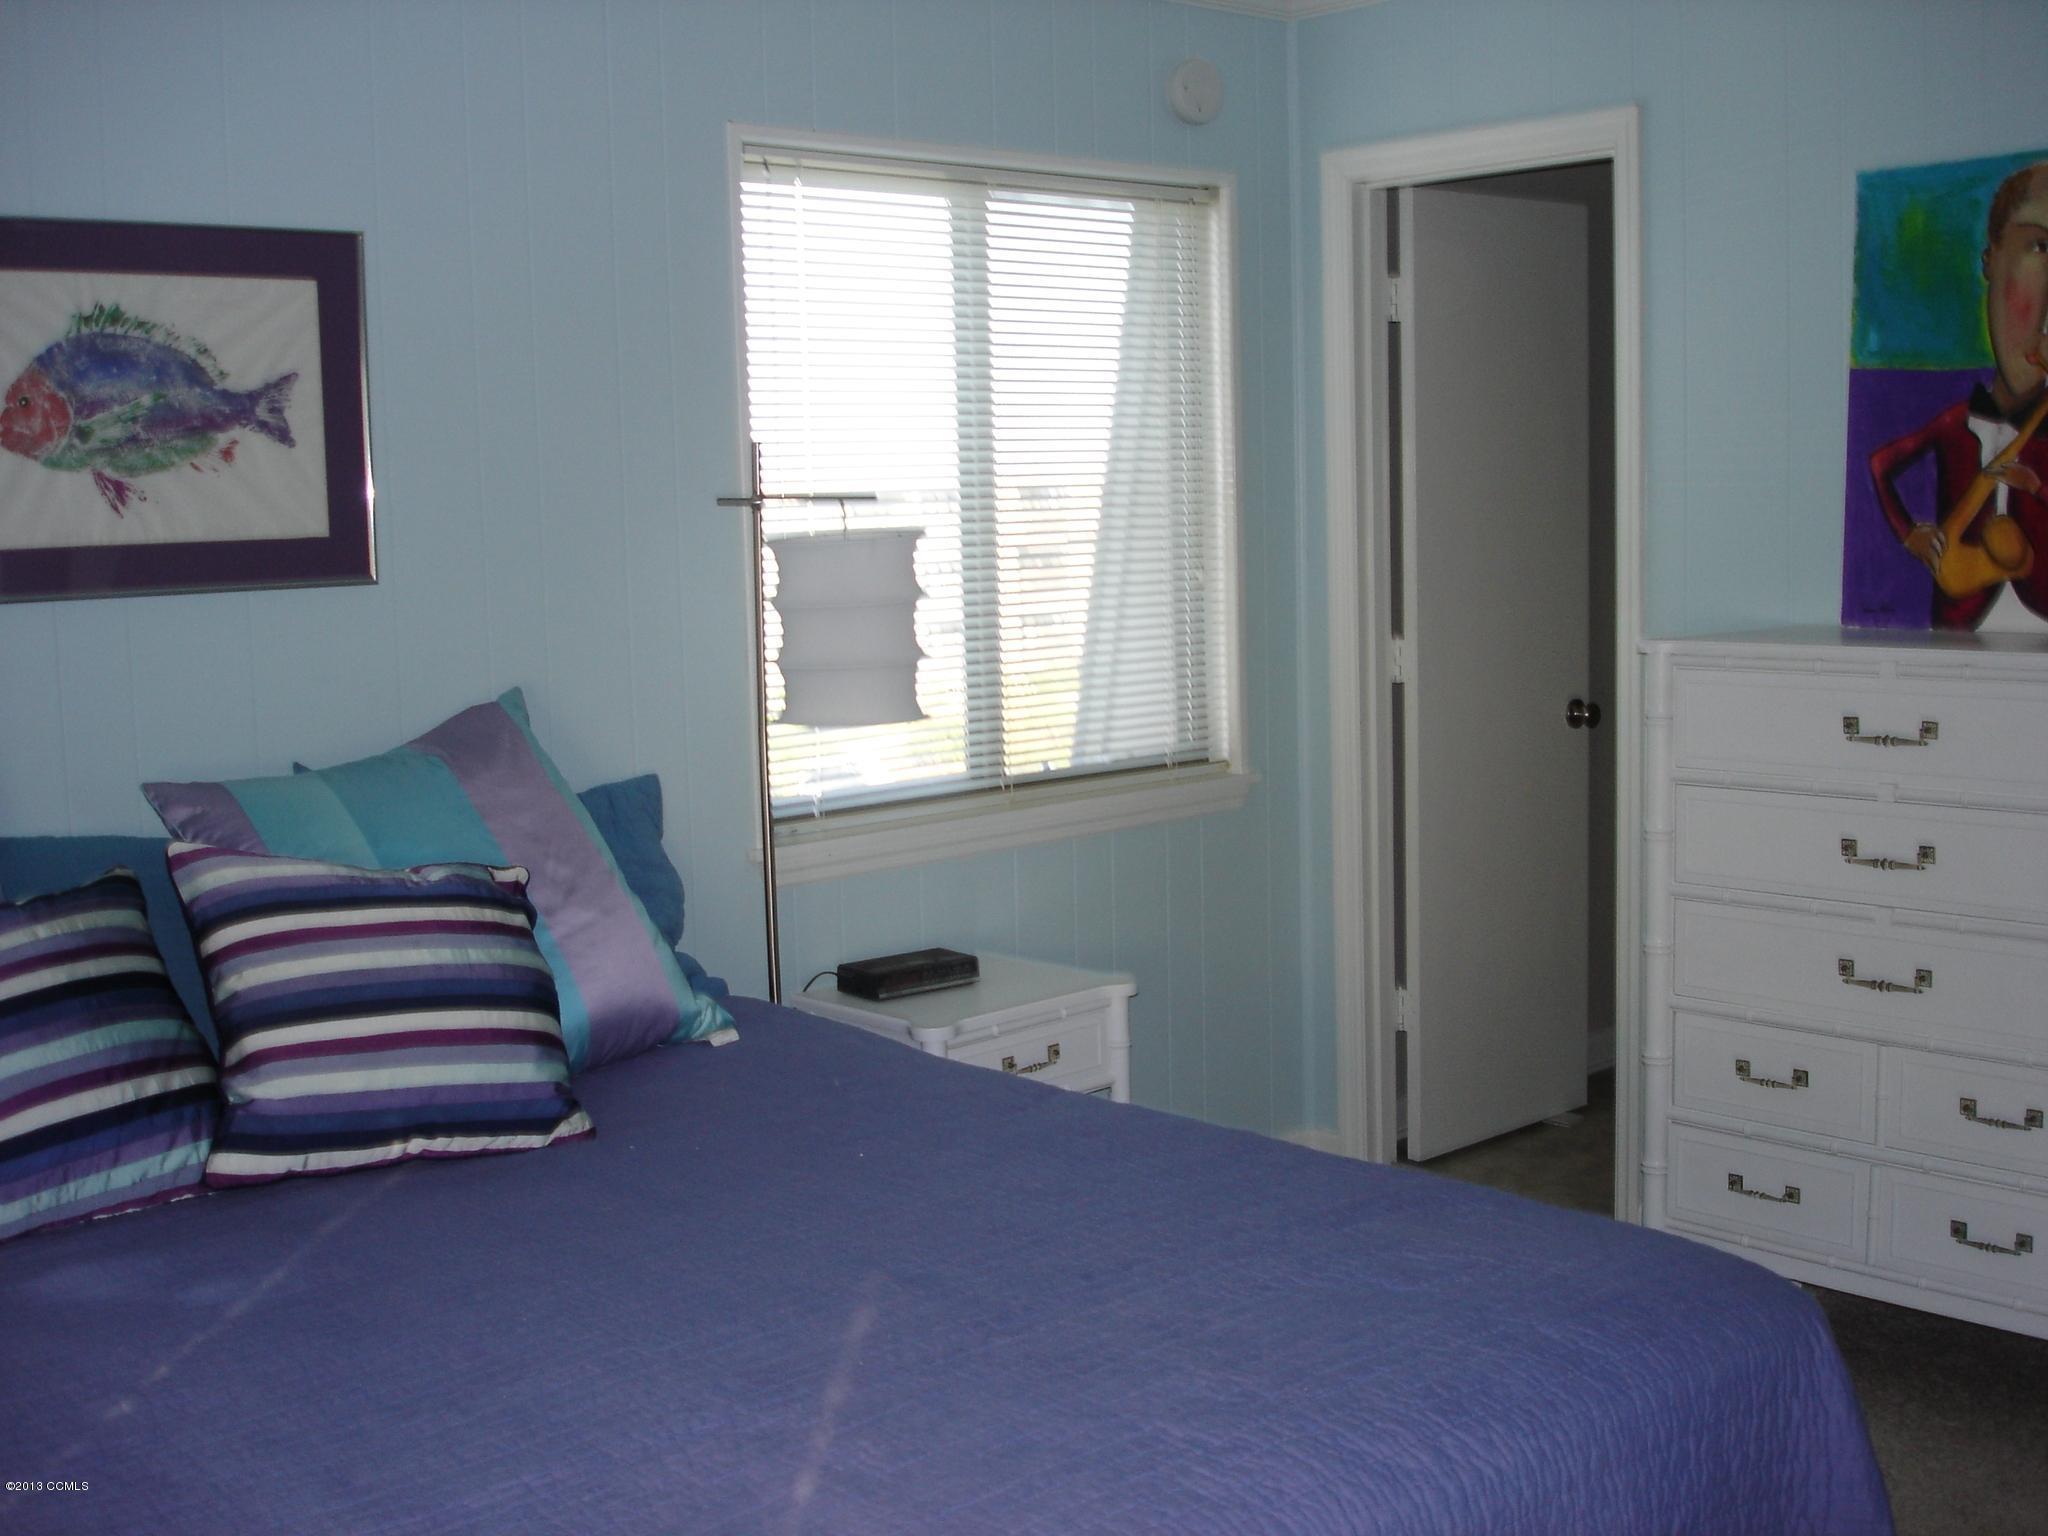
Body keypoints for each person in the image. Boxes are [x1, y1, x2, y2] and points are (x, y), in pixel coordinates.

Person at [1870, 160, 2048, 629]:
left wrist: (2038, 488)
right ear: (1989, 258)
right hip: (1953, 647)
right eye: (2039, 246)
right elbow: (1880, 464)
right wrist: (1909, 534)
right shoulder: (1954, 422)